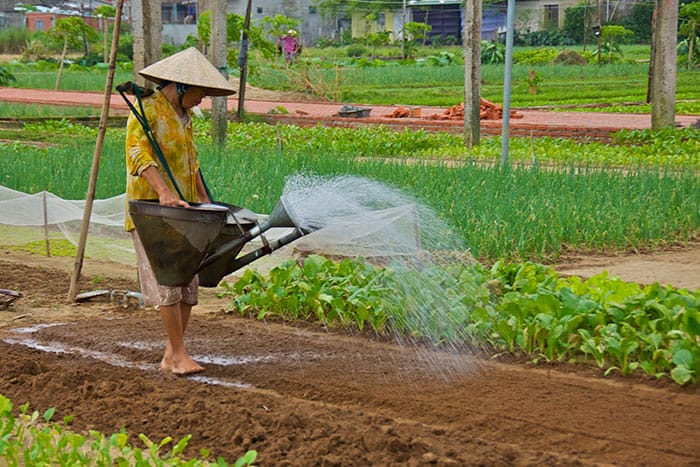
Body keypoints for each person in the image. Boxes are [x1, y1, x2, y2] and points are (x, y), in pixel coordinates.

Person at [123, 47, 236, 375]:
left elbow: (192, 163)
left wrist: (205, 200)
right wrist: (164, 193)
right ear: (182, 86)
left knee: (187, 286)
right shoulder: (147, 111)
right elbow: (137, 155)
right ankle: (178, 354)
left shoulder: (185, 119)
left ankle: (173, 355)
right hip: (152, 214)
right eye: (200, 93)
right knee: (168, 285)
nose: (202, 100)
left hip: (186, 213)